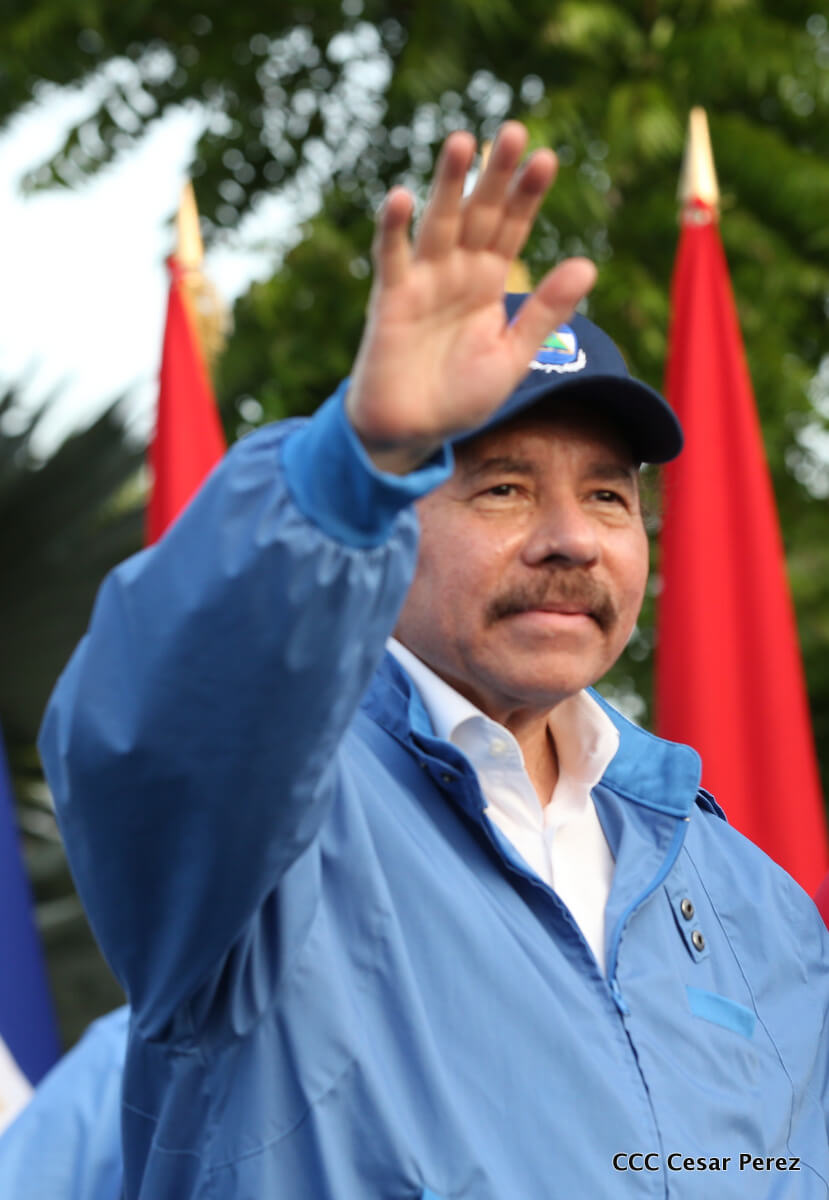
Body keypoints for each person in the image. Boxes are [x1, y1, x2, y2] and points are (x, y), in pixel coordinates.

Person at [39, 122, 829, 1198]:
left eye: (607, 496)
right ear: (391, 522)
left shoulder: (746, 897)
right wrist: (352, 460)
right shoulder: (264, 833)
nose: (571, 539)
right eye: (503, 488)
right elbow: (161, 725)